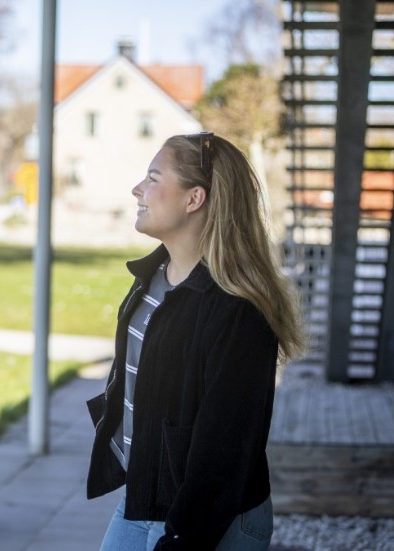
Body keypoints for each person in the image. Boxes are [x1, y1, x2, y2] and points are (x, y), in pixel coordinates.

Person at [85, 132, 305, 550]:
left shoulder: (237, 310)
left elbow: (225, 444)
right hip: (143, 498)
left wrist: (183, 537)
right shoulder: (150, 280)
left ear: (194, 199)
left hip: (209, 519)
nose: (137, 189)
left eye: (152, 177)